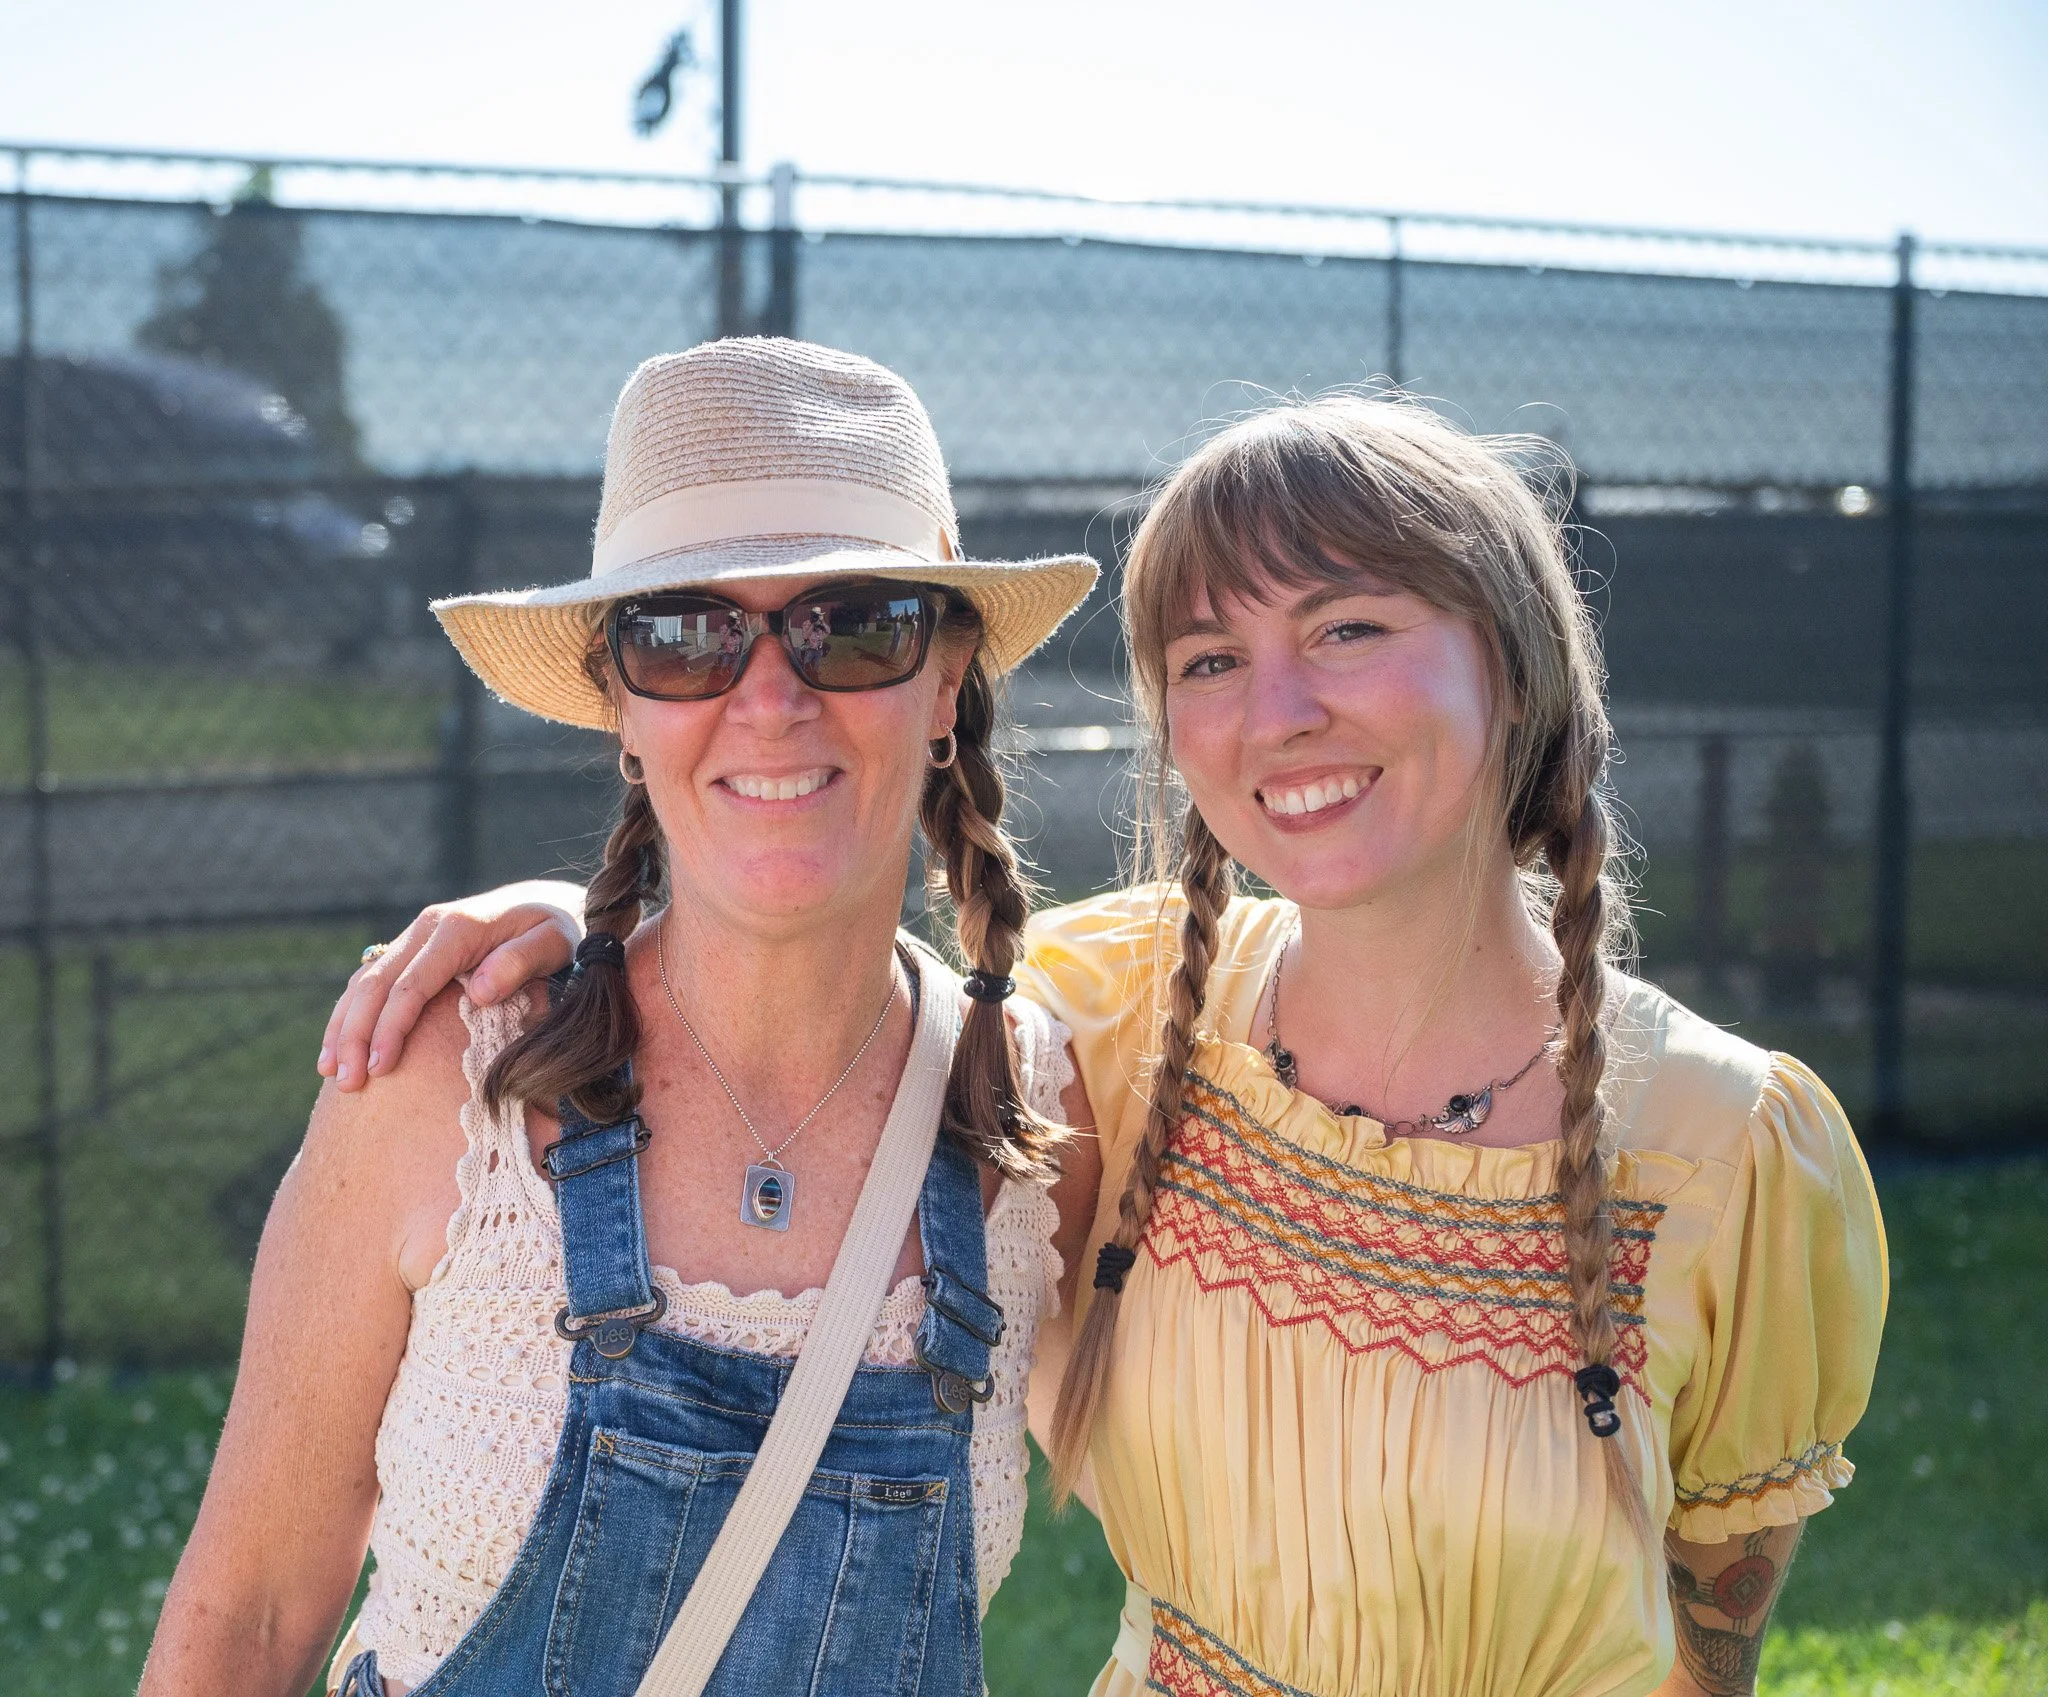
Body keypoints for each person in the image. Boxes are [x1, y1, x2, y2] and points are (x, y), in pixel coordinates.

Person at [326, 393, 1887, 1697]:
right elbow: (803, 988)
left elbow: (1712, 1642)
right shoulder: (1118, 1030)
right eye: (1210, 660)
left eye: (1347, 627)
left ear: (1516, 661)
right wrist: (575, 916)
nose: (1278, 713)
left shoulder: (1726, 1149)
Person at [139, 337, 1100, 1697]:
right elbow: (242, 1625)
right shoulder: (447, 1085)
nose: (770, 699)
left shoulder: (1033, 1119)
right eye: (688, 635)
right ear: (621, 707)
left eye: (856, 624)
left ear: (946, 683)